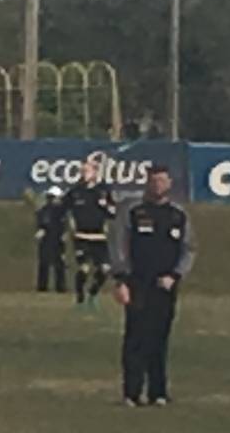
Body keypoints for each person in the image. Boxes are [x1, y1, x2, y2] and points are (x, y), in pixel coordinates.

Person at [113, 162, 192, 406]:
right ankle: (132, 393)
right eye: (154, 180)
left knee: (159, 338)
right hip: (138, 284)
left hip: (165, 286)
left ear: (169, 183)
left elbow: (188, 249)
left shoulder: (177, 215)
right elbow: (120, 245)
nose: (158, 185)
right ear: (147, 182)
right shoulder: (134, 211)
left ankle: (158, 392)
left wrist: (175, 275)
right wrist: (121, 280)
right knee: (135, 338)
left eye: (162, 180)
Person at [66, 160, 116, 306]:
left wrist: (105, 205)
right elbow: (64, 209)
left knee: (105, 269)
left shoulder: (103, 190)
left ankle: (93, 294)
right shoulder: (76, 191)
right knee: (84, 268)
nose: (84, 174)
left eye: (87, 171)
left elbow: (113, 213)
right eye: (82, 171)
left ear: (95, 173)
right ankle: (80, 298)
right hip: (81, 236)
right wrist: (71, 225)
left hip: (99, 236)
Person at [34, 186, 69, 293]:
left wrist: (64, 234)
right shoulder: (44, 211)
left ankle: (59, 287)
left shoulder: (61, 211)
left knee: (59, 264)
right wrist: (41, 230)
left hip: (57, 240)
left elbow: (65, 225)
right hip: (47, 240)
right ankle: (43, 287)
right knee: (45, 263)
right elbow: (41, 224)